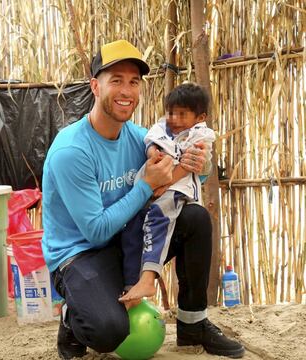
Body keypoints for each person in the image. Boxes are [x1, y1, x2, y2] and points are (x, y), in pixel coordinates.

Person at [41, 39, 245, 359]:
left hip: (125, 240)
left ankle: (193, 324)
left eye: (134, 82)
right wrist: (145, 186)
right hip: (80, 254)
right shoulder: (72, 151)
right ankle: (72, 316)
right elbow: (95, 231)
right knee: (108, 331)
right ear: (95, 86)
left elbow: (182, 180)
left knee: (194, 217)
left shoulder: (141, 138)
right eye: (116, 80)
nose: (126, 91)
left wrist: (198, 166)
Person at [118, 83, 216, 302]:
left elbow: (192, 165)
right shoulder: (163, 127)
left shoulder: (200, 135)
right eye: (171, 112)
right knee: (132, 228)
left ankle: (147, 280)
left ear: (200, 117)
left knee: (157, 223)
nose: (174, 119)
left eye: (182, 114)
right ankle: (131, 284)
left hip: (174, 192)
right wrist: (154, 152)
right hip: (151, 190)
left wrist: (164, 182)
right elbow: (151, 143)